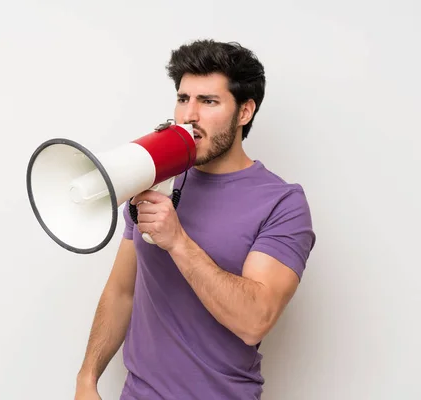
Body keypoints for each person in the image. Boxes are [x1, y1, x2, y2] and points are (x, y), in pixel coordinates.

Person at [74, 39, 316, 400]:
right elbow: (121, 291)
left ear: (245, 112)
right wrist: (87, 379)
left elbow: (255, 321)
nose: (189, 115)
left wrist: (178, 241)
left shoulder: (282, 202)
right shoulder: (153, 178)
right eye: (184, 98)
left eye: (208, 101)